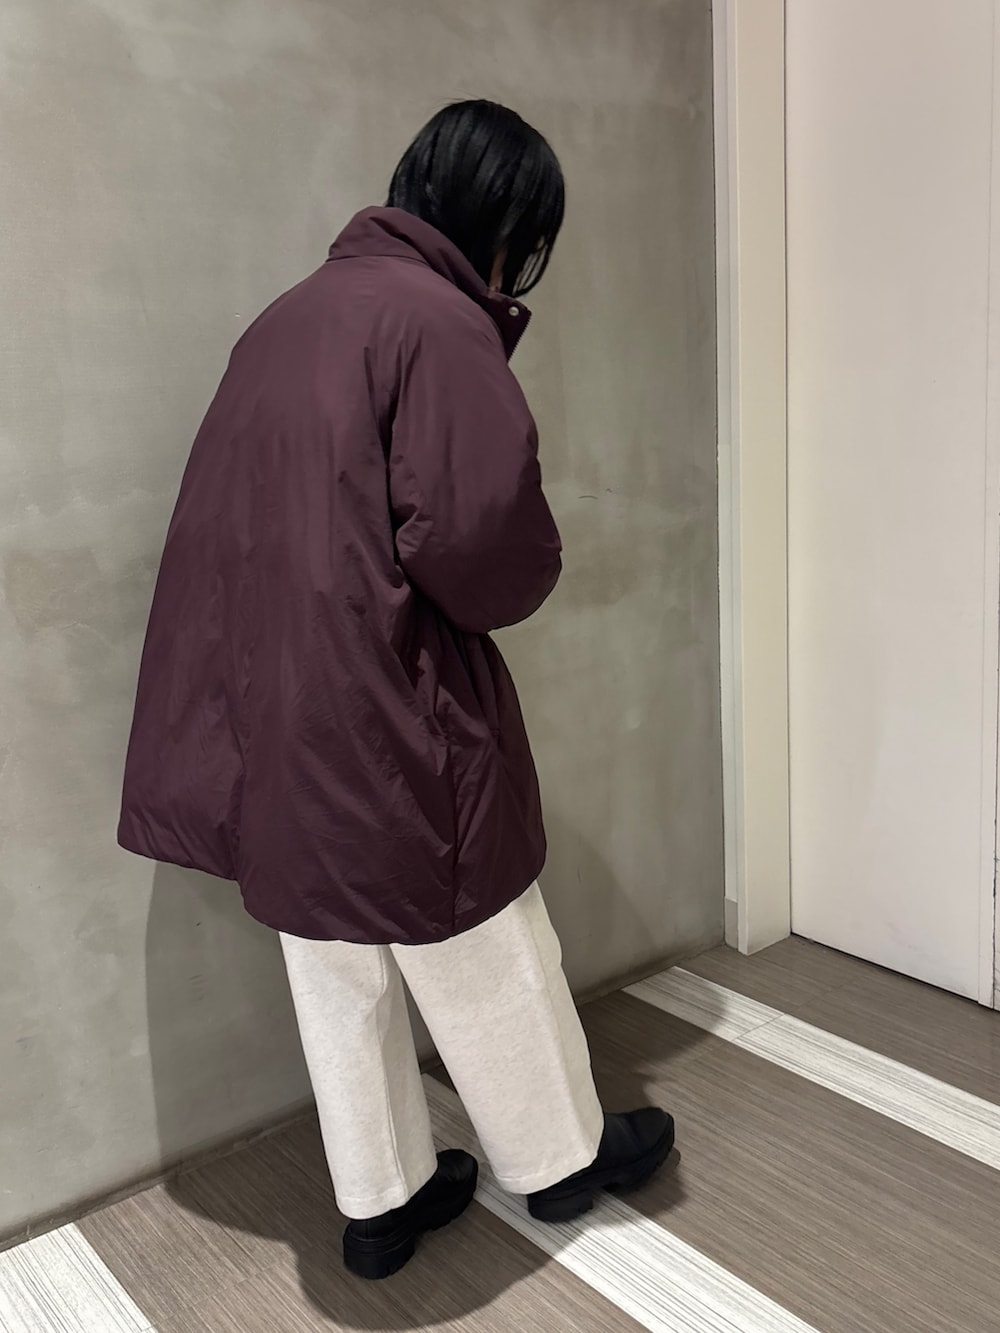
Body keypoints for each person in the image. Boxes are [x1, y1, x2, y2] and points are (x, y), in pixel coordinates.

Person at [118, 100, 674, 1281]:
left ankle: (383, 1201)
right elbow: (479, 546)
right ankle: (561, 1158)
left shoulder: (282, 321)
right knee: (481, 927)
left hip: (269, 699)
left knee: (334, 954)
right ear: (502, 223)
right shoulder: (435, 322)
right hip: (387, 691)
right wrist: (531, 567)